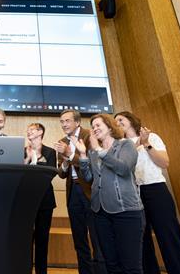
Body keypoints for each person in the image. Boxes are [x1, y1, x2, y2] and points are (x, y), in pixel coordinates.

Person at [115, 111, 180, 274]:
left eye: (121, 119)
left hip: (156, 189)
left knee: (169, 235)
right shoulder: (119, 143)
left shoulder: (152, 137)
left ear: (130, 120)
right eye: (115, 121)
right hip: (133, 193)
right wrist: (135, 146)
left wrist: (146, 144)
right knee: (141, 241)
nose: (118, 123)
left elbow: (164, 162)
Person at [75, 114, 144, 274]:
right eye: (93, 126)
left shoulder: (125, 145)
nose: (95, 129)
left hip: (126, 211)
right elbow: (89, 178)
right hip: (100, 213)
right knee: (111, 264)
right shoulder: (93, 153)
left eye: (98, 125)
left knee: (131, 266)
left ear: (110, 126)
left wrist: (99, 150)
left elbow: (124, 169)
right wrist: (84, 156)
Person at [53, 109, 106, 274]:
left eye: (67, 121)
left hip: (90, 191)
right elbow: (61, 174)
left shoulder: (89, 136)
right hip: (72, 192)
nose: (64, 125)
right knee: (79, 237)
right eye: (62, 122)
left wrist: (70, 155)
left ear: (77, 122)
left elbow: (92, 165)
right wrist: (64, 163)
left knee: (97, 237)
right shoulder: (62, 141)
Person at [24, 123, 57, 274]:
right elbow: (18, 173)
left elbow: (50, 172)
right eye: (28, 130)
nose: (29, 132)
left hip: (45, 201)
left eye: (32, 129)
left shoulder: (50, 151)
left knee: (42, 239)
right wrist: (27, 159)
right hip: (26, 201)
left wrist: (36, 157)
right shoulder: (22, 151)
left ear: (40, 132)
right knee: (25, 240)